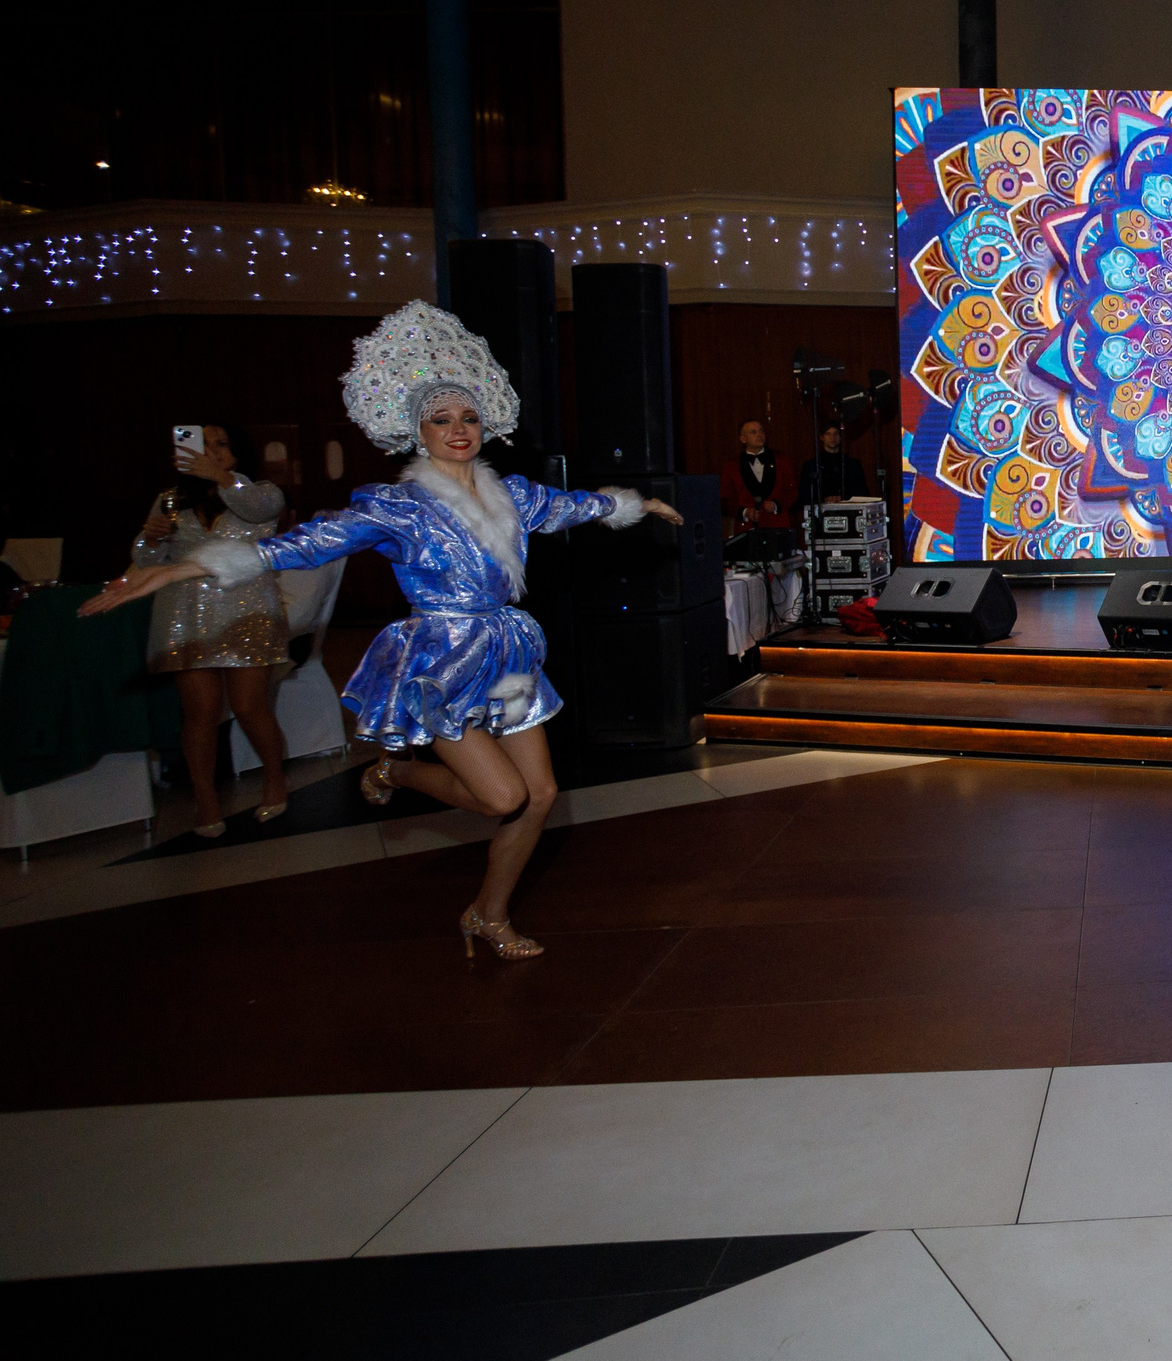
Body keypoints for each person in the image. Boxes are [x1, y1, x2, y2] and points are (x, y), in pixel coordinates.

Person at [82, 302, 681, 959]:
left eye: (468, 417)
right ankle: (397, 770)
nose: (458, 429)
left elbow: (572, 505)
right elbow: (306, 542)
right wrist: (183, 568)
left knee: (538, 797)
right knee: (501, 794)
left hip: (507, 653)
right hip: (440, 658)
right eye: (441, 419)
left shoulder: (512, 492)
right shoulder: (398, 506)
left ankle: (488, 912)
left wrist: (632, 503)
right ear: (417, 430)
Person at [129, 422, 295, 837]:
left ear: (237, 453)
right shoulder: (170, 500)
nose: (212, 452)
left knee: (249, 707)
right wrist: (150, 540)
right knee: (200, 712)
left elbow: (262, 511)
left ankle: (275, 777)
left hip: (248, 611)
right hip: (187, 614)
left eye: (221, 445)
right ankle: (205, 798)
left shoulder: (260, 491)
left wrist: (221, 478)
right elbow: (149, 562)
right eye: (203, 446)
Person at [722, 419, 787, 532]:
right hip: (747, 528)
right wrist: (745, 512)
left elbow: (792, 491)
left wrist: (776, 505)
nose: (759, 435)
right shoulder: (732, 465)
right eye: (753, 432)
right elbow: (726, 499)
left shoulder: (781, 460)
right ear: (743, 439)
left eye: (761, 431)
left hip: (777, 525)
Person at [796, 421, 867, 511]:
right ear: (822, 437)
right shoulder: (812, 465)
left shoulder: (852, 464)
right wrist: (823, 500)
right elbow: (804, 495)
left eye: (835, 433)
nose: (832, 437)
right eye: (828, 434)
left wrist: (844, 497)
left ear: (840, 437)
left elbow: (862, 492)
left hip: (849, 511)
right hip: (821, 514)